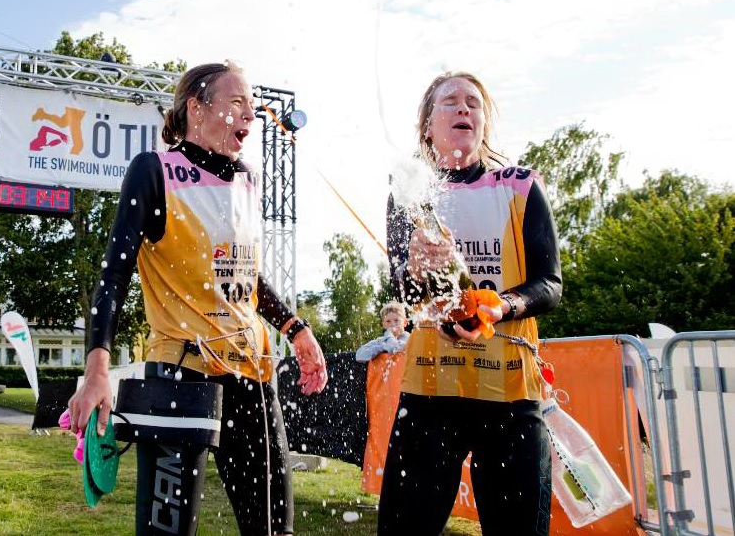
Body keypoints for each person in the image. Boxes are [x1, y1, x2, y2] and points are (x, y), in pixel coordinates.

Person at [68, 61, 329, 536]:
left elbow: (244, 275)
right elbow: (114, 274)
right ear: (196, 107)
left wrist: (295, 327)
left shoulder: (248, 180)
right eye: (237, 103)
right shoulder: (154, 171)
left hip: (250, 371)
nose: (250, 113)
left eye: (252, 104)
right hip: (181, 372)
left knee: (274, 528)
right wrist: (97, 371)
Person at [378, 71, 562, 535]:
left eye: (473, 103)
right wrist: (417, 270)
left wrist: (501, 306)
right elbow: (406, 291)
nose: (464, 109)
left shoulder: (520, 186)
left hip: (509, 392)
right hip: (431, 390)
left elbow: (550, 284)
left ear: (484, 122)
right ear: (428, 127)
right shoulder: (410, 195)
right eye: (450, 102)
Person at [356, 301, 410, 495]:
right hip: (384, 403)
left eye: (396, 320)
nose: (393, 324)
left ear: (405, 321)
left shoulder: (412, 341)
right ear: (383, 324)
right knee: (384, 442)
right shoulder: (381, 341)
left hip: (406, 399)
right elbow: (359, 355)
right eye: (388, 321)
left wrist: (389, 343)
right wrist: (382, 344)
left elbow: (398, 349)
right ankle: (384, 484)